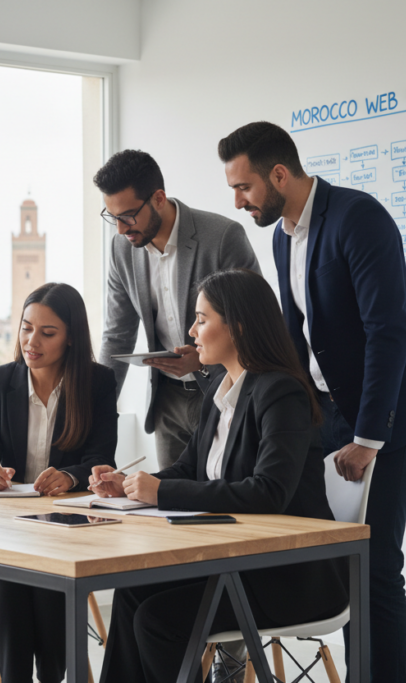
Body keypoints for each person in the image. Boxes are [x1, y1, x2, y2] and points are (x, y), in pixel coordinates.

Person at [218, 121, 406, 682]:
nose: (237, 200)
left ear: (279, 174)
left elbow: (387, 330)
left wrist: (369, 438)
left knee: (374, 564)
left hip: (389, 412)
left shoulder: (357, 217)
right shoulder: (280, 236)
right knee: (339, 559)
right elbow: (297, 334)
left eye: (243, 187)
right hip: (327, 409)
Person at [91, 268, 348, 683]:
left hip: (289, 575)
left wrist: (162, 492)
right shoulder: (220, 389)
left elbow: (268, 493)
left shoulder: (282, 392)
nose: (192, 331)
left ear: (238, 325)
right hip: (237, 562)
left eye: (202, 318)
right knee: (132, 593)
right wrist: (129, 486)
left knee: (159, 620)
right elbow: (190, 469)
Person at [0, 282, 118, 683]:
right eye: (26, 328)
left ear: (71, 338)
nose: (32, 341)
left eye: (47, 333)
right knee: (11, 579)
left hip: (67, 529)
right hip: (8, 527)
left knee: (52, 582)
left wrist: (69, 476)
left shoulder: (98, 383)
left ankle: (51, 676)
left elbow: (102, 459)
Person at [94, 149, 261, 470]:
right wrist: (96, 407)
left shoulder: (222, 237)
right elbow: (117, 335)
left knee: (223, 502)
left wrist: (200, 360)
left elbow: (254, 322)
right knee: (170, 505)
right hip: (166, 400)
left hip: (222, 391)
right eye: (112, 217)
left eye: (128, 216)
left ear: (158, 198)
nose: (120, 229)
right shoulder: (121, 249)